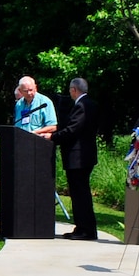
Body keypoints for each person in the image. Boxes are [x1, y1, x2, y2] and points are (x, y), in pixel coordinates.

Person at [55, 76, 99, 241]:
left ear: (74, 90)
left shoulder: (82, 105)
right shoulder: (91, 104)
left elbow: (72, 130)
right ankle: (82, 227)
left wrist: (52, 137)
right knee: (81, 194)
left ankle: (86, 230)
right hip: (84, 156)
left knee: (80, 194)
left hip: (78, 157)